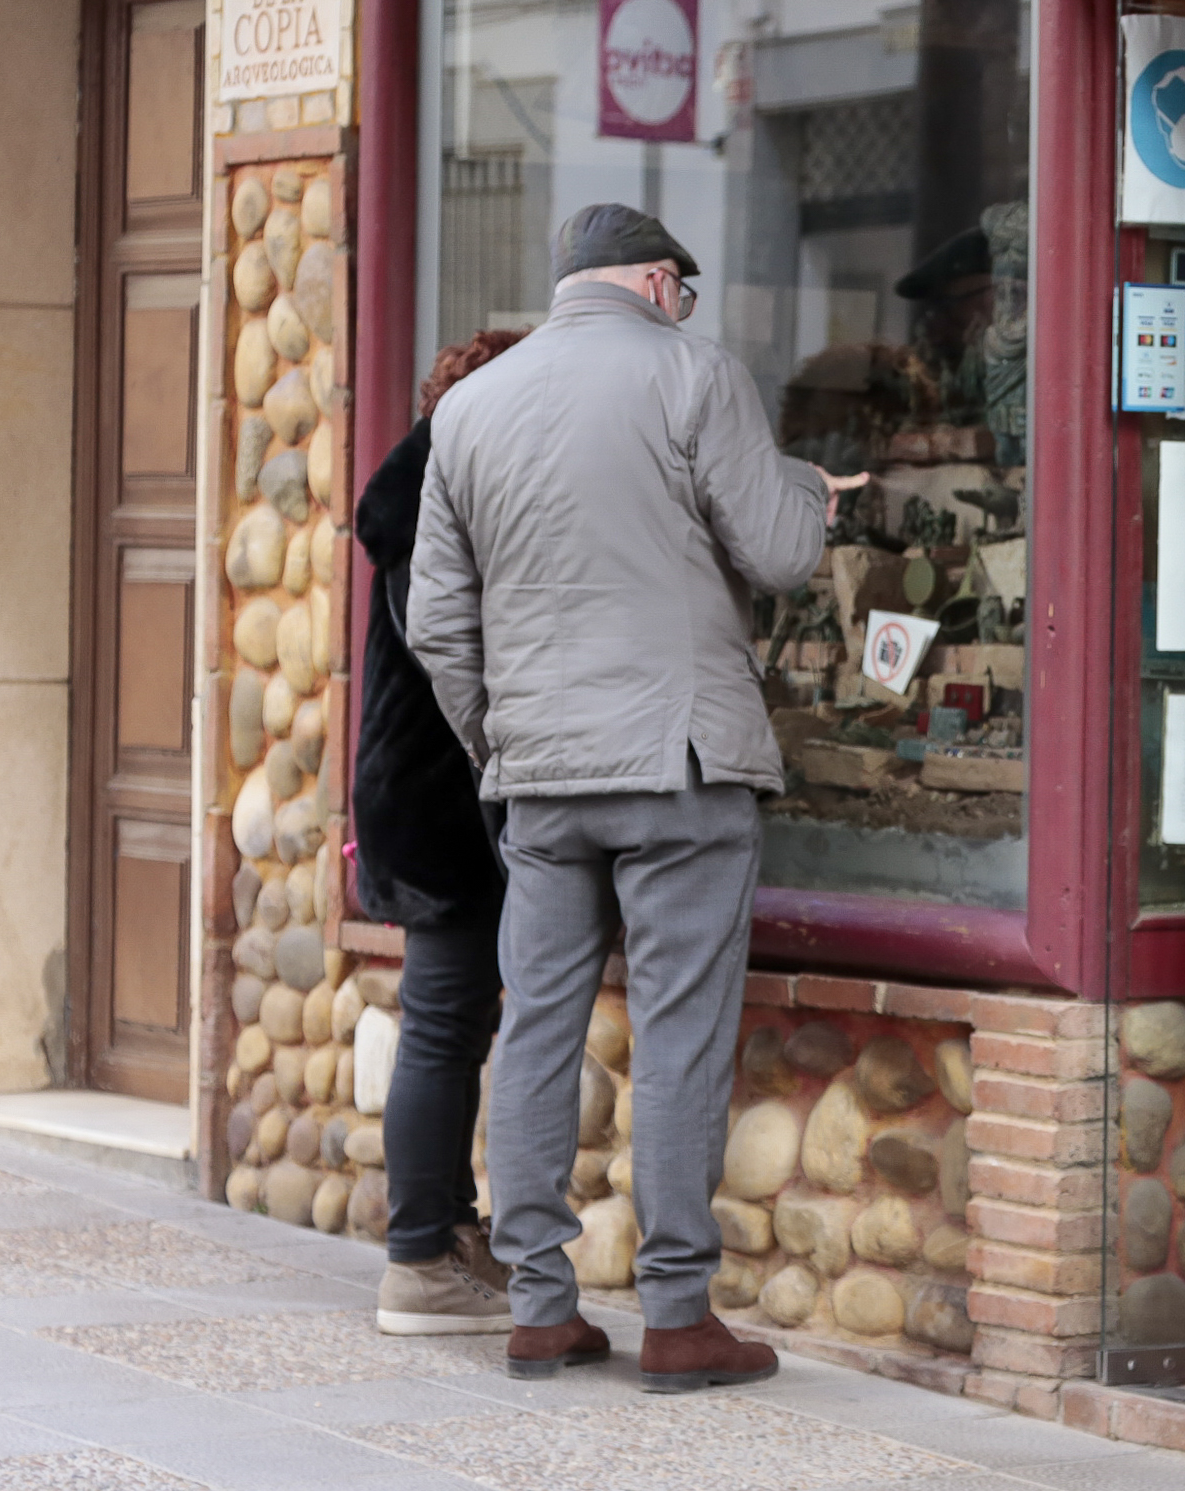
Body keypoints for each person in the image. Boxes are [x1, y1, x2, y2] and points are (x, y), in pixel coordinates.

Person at [409, 203, 860, 1391]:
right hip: (678, 764)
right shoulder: (693, 373)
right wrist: (808, 493)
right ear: (659, 282)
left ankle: (541, 1307)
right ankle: (674, 1315)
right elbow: (772, 553)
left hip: (542, 779)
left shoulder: (467, 409)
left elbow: (438, 626)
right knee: (678, 1035)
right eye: (684, 292)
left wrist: (499, 746)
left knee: (537, 1029)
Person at [354, 328, 528, 1336]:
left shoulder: (425, 493)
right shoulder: (438, 505)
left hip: (430, 797)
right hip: (444, 804)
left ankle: (448, 1235)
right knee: (445, 1025)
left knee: (453, 1026)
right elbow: (457, 664)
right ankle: (419, 1261)